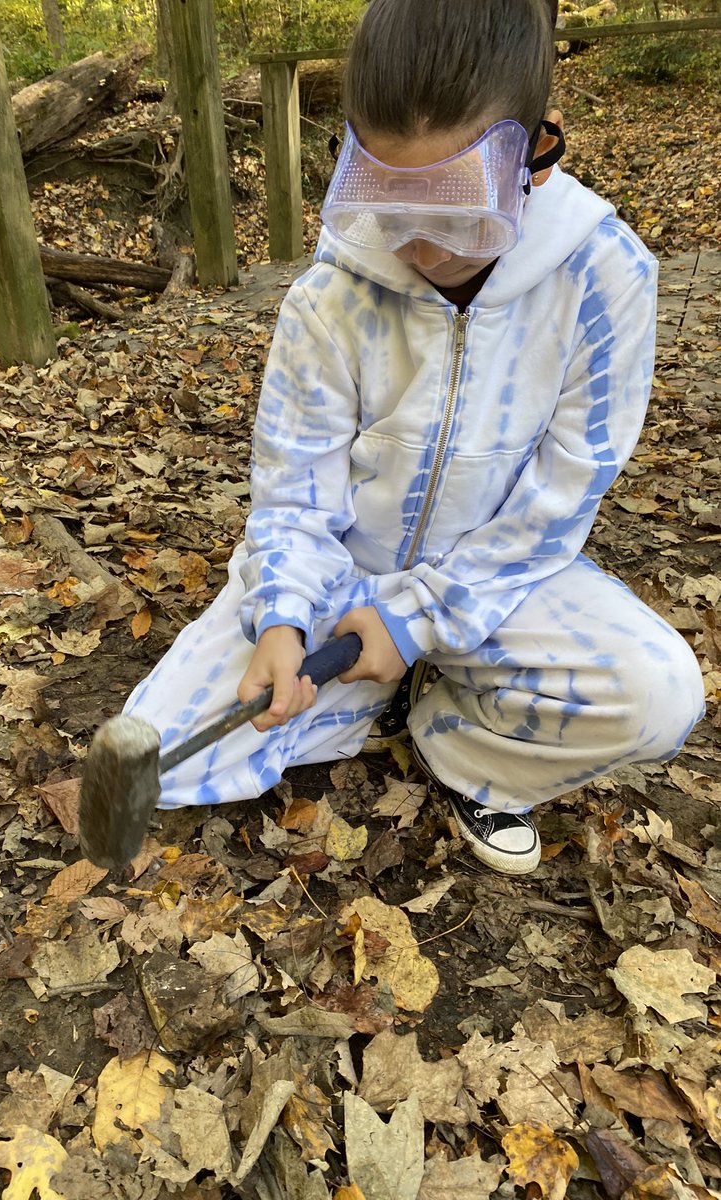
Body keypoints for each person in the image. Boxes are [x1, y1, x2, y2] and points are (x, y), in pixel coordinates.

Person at [121, 0, 704, 876]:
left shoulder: (606, 276)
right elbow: (293, 493)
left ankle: (462, 749)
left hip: (501, 583)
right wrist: (280, 616)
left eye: (457, 213)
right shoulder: (327, 300)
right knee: (171, 751)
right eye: (394, 208)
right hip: (340, 575)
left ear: (536, 154)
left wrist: (420, 619)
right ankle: (385, 690)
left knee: (658, 695)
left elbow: (557, 504)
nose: (424, 248)